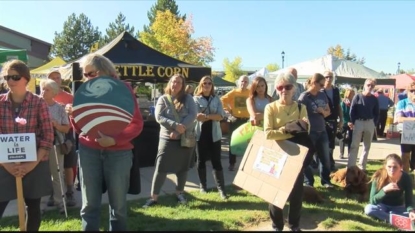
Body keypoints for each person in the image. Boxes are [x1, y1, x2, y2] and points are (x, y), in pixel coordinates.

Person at [67, 54, 144, 231]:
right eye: (85, 75)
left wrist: (115, 140)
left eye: (90, 74)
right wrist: (74, 116)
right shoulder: (85, 91)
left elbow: (136, 123)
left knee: (118, 207)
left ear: (105, 71)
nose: (86, 78)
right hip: (89, 151)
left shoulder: (123, 89)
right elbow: (80, 129)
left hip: (119, 153)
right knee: (89, 206)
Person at [0, 59, 54, 231]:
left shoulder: (39, 102)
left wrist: (31, 164)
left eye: (15, 77)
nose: (10, 81)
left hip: (35, 163)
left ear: (26, 79)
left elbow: (47, 136)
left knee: (33, 207)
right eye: (7, 77)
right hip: (3, 165)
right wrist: (8, 165)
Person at [264, 72, 315, 231]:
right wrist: (291, 128)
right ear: (277, 89)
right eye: (280, 87)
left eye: (288, 86)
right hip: (276, 153)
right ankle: (277, 225)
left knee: (296, 193)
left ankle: (294, 225)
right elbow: (268, 133)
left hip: (296, 153)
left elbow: (306, 129)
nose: (284, 90)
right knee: (274, 193)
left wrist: (284, 130)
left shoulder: (301, 107)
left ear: (294, 89)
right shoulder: (270, 107)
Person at [143, 74, 197, 208]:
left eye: (179, 82)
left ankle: (180, 193)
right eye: (173, 82)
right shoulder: (163, 98)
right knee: (161, 168)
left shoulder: (188, 98)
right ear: (170, 83)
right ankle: (154, 197)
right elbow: (159, 116)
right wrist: (174, 125)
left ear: (182, 85)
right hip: (167, 139)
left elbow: (192, 115)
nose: (176, 84)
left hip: (184, 139)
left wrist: (179, 130)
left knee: (182, 168)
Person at [47, 69, 78, 206]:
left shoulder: (69, 97)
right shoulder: (42, 97)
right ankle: (54, 192)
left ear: (61, 79)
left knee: (68, 164)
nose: (55, 80)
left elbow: (77, 116)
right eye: (52, 78)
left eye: (57, 77)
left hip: (67, 134)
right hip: (49, 136)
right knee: (51, 167)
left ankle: (70, 192)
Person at [193, 75, 227, 199]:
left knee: (216, 161)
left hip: (215, 134)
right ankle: (203, 186)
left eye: (209, 83)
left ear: (212, 86)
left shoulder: (216, 99)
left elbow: (220, 116)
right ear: (200, 85)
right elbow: (197, 116)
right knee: (201, 160)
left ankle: (221, 189)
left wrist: (206, 116)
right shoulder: (195, 99)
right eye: (204, 83)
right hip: (200, 134)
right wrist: (212, 115)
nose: (207, 85)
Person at [40, 79, 70, 214]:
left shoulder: (59, 108)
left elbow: (67, 128)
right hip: (38, 145)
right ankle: (39, 205)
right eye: (42, 89)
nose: (43, 92)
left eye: (47, 89)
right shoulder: (36, 106)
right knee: (40, 175)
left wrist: (56, 125)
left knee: (57, 175)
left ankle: (60, 203)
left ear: (54, 92)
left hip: (55, 145)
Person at [298, 73, 333, 188]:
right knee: (306, 159)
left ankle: (326, 181)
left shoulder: (322, 95)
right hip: (310, 132)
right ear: (314, 83)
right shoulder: (304, 97)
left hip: (322, 130)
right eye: (321, 84)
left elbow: (328, 112)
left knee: (325, 158)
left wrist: (323, 111)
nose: (323, 87)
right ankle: (309, 181)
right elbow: (299, 115)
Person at [364, 154, 415, 225]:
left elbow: (409, 200)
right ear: (385, 167)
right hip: (382, 206)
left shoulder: (406, 178)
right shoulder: (378, 176)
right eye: (389, 167)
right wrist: (384, 190)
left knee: (411, 214)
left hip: (398, 207)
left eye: (395, 167)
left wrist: (411, 211)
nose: (392, 170)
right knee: (369, 209)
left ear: (401, 167)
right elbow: (372, 201)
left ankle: (389, 217)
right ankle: (394, 219)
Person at [348, 78, 380, 172]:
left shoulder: (374, 99)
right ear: (364, 85)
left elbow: (377, 113)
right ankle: (351, 166)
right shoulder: (357, 96)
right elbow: (352, 110)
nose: (370, 87)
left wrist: (374, 123)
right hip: (358, 122)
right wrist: (353, 122)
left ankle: (362, 166)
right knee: (355, 145)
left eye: (372, 85)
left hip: (369, 122)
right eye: (368, 85)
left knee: (367, 146)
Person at [220, 75, 250, 171]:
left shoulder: (250, 93)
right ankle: (232, 163)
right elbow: (222, 100)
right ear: (238, 82)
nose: (243, 83)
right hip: (235, 119)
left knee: (247, 142)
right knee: (232, 142)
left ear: (248, 83)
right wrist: (228, 110)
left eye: (245, 81)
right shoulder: (234, 92)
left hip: (247, 120)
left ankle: (246, 163)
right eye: (242, 81)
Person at [322, 71, 343, 171]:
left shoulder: (335, 90)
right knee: (323, 142)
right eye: (326, 77)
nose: (328, 79)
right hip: (322, 119)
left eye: (330, 77)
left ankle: (330, 162)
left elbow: (338, 105)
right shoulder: (320, 90)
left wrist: (341, 119)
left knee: (331, 143)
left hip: (333, 119)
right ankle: (326, 162)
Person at [394, 81, 415, 173]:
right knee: (405, 156)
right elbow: (399, 119)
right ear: (407, 91)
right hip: (406, 133)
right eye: (412, 90)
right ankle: (405, 179)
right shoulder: (402, 103)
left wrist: (409, 119)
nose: (414, 93)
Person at [339, 88, 355, 159]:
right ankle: (341, 153)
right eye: (351, 94)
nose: (352, 95)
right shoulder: (343, 103)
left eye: (353, 94)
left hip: (352, 123)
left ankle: (350, 153)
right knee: (342, 138)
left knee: (351, 139)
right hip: (344, 122)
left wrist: (352, 122)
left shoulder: (354, 102)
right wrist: (347, 121)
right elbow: (342, 113)